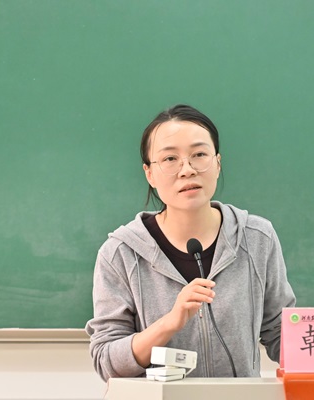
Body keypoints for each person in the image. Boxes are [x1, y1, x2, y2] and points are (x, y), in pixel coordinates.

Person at [85, 104, 296, 381]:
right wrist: (170, 323)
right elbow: (107, 361)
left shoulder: (257, 238)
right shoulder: (120, 253)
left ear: (217, 163)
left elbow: (280, 333)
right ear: (149, 173)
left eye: (199, 155)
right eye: (170, 159)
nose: (187, 170)